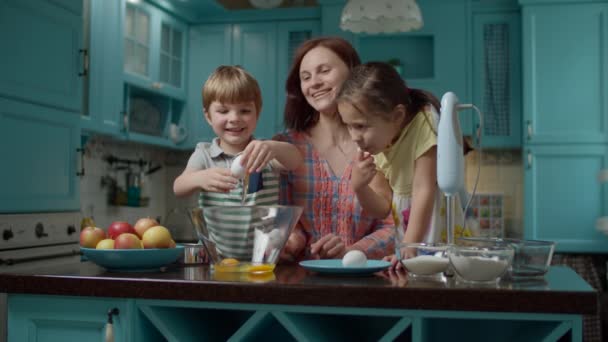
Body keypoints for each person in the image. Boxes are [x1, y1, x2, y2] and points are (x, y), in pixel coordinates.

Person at [276, 37, 395, 262]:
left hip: (370, 281)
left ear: (352, 72)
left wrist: (352, 253)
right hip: (302, 281)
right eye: (306, 77)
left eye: (324, 71)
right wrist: (292, 241)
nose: (314, 83)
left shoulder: (379, 145)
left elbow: (394, 223)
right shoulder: (286, 147)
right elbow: (283, 218)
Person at [174, 65, 303, 258]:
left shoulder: (263, 152)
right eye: (223, 111)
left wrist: (274, 147)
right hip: (216, 259)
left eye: (244, 111)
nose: (234, 119)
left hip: (261, 259)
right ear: (208, 116)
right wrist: (200, 178)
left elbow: (296, 160)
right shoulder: (205, 154)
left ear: (257, 113)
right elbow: (179, 186)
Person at [336, 61, 442, 266]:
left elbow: (423, 189)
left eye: (360, 126)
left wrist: (410, 246)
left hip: (434, 238)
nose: (354, 137)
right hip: (408, 244)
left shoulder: (425, 121)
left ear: (397, 116)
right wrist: (359, 187)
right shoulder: (374, 144)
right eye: (348, 126)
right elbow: (382, 207)